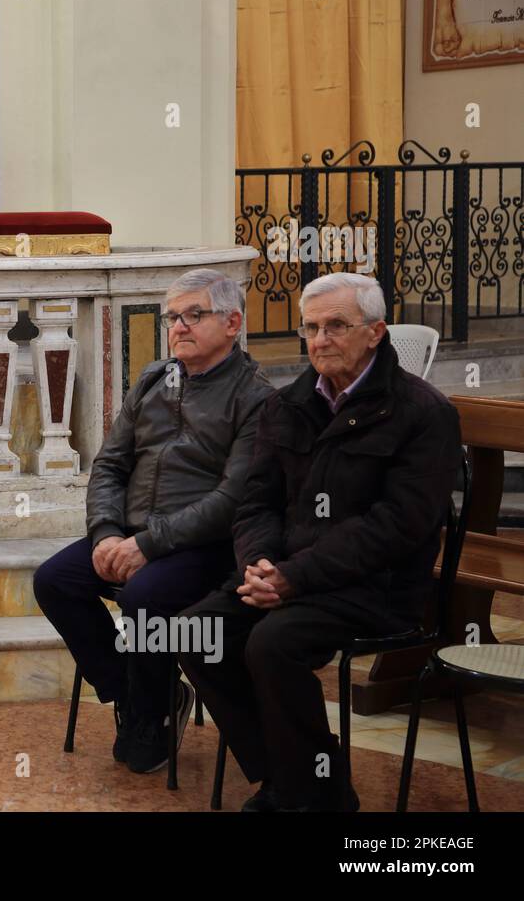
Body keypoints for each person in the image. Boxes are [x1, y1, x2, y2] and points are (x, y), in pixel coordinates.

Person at [178, 271, 461, 811]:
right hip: (286, 574)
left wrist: (294, 577)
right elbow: (256, 501)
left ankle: (304, 791)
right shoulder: (289, 404)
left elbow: (397, 526)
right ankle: (297, 781)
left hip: (376, 586)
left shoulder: (422, 413)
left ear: (375, 332)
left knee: (272, 644)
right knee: (195, 633)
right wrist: (260, 565)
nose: (321, 340)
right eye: (310, 328)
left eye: (337, 326)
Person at [34, 269, 274, 772]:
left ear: (233, 323)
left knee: (145, 596)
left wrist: (149, 544)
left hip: (202, 547)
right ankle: (144, 695)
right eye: (173, 317)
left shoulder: (256, 397)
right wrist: (106, 533)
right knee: (54, 580)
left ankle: (149, 711)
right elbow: (109, 464)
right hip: (132, 534)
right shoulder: (153, 378)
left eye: (194, 315)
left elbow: (233, 498)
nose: (179, 326)